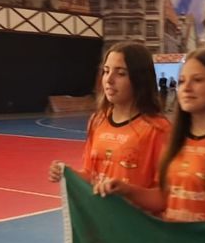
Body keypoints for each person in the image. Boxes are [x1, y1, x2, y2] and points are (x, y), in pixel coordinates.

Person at [96, 49, 205, 227]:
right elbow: (163, 198)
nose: (186, 88)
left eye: (197, 80)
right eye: (182, 81)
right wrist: (126, 190)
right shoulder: (173, 139)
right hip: (174, 242)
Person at [48, 42, 170, 193]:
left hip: (131, 209)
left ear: (140, 79)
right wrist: (68, 174)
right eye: (106, 71)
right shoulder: (97, 121)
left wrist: (129, 192)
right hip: (100, 209)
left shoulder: (158, 129)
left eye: (121, 73)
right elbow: (91, 175)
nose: (109, 79)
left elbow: (163, 195)